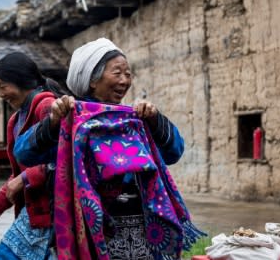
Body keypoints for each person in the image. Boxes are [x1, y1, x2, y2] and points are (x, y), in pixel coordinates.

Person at [14, 38, 205, 260]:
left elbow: (174, 152)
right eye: (117, 73)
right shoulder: (70, 119)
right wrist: (53, 122)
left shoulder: (136, 118)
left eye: (128, 73)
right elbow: (24, 153)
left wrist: (155, 120)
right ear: (92, 81)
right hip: (89, 230)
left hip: (141, 233)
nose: (125, 80)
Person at [0, 51, 64, 260]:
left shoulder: (48, 108)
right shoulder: (15, 121)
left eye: (2, 86)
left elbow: (66, 160)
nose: (0, 94)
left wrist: (25, 179)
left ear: (19, 79)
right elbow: (17, 174)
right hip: (33, 216)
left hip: (55, 214)